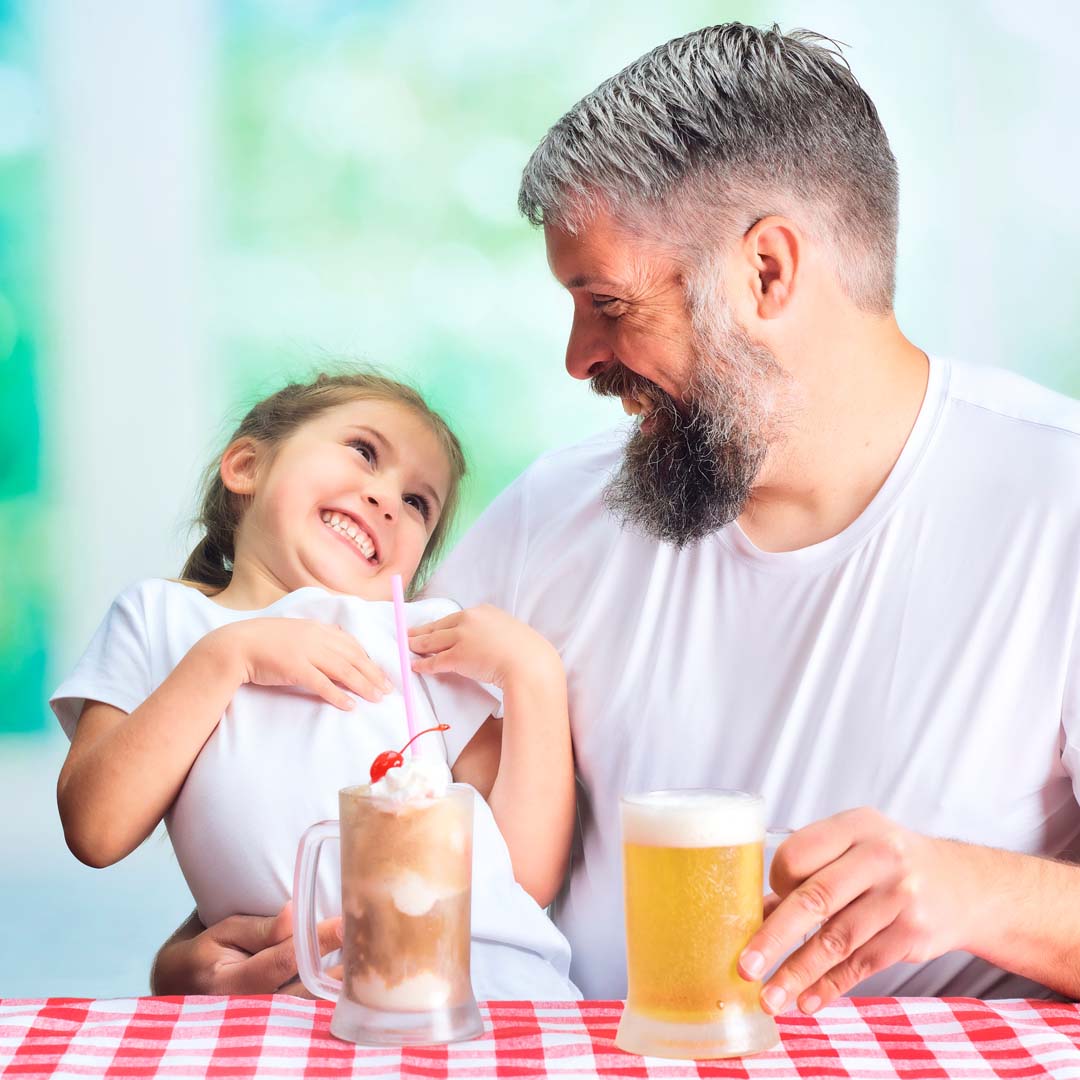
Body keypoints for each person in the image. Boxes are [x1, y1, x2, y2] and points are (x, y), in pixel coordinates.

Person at [153, 22, 1080, 1010]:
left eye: (607, 303)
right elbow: (361, 801)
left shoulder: (1055, 501)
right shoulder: (556, 514)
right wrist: (208, 949)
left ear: (767, 270)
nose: (578, 357)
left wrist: (981, 894)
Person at [52, 370, 578, 1000]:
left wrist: (533, 676)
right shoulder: (161, 620)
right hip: (300, 1006)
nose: (388, 500)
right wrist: (230, 656)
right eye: (364, 451)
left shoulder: (419, 639)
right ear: (247, 465)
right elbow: (95, 829)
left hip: (486, 978)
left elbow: (523, 877)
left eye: (418, 503)